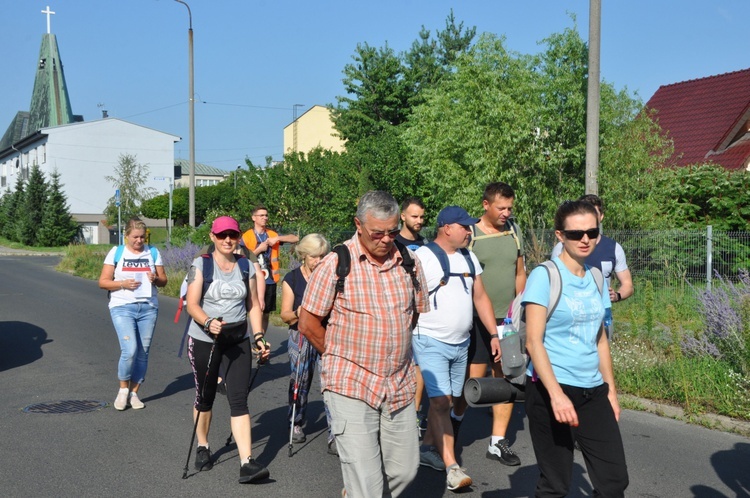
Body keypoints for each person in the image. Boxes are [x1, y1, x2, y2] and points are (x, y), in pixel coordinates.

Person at [298, 190, 429, 498]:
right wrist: (337, 356)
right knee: (365, 482)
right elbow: (308, 322)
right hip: (350, 383)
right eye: (378, 233)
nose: (386, 240)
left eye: (393, 232)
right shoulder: (335, 264)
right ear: (358, 224)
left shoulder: (409, 262)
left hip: (398, 383)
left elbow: (414, 316)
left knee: (406, 469)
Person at [524, 200, 629, 497]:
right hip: (550, 390)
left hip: (592, 390)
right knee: (555, 485)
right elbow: (534, 342)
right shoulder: (544, 276)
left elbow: (600, 340)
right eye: (575, 234)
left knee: (613, 481)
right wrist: (556, 396)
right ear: (560, 236)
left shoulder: (597, 277)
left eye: (591, 232)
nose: (585, 239)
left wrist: (611, 391)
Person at [413, 206, 501, 492]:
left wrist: (493, 334)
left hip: (460, 344)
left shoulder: (469, 257)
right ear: (446, 228)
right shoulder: (422, 258)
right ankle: (452, 467)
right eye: (464, 226)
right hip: (429, 339)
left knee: (448, 402)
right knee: (440, 403)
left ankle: (427, 449)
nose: (469, 231)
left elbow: (480, 297)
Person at [185, 216, 271, 484]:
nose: (227, 240)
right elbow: (192, 304)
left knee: (239, 399)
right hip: (204, 339)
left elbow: (254, 305)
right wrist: (208, 321)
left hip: (237, 339)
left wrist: (258, 336)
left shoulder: (247, 266)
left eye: (232, 235)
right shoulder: (201, 265)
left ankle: (247, 463)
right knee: (205, 396)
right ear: (212, 236)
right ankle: (203, 446)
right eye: (222, 235)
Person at [451, 182, 526, 466]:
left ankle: (497, 442)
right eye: (501, 208)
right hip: (475, 321)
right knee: (471, 381)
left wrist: (521, 308)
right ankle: (454, 423)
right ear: (486, 205)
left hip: (506, 320)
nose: (506, 213)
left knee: (506, 377)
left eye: (510, 208)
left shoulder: (513, 231)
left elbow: (520, 272)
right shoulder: (470, 234)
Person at [99, 218, 167, 411]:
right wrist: (122, 284)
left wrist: (155, 278)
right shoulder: (117, 252)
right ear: (126, 236)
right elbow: (103, 281)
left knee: (142, 352)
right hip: (122, 306)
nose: (139, 241)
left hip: (148, 307)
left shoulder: (152, 252)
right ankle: (122, 390)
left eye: (142, 237)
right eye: (135, 237)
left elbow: (164, 280)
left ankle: (134, 393)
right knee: (129, 349)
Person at [279, 233, 337, 455]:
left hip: (326, 334)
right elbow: (285, 315)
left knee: (332, 384)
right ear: (303, 255)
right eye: (314, 256)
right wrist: (298, 312)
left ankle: (335, 433)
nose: (319, 261)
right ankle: (296, 421)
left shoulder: (332, 278)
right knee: (300, 381)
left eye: (323, 256)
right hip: (300, 333)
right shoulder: (292, 279)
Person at [550, 194, 634, 339]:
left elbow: (628, 285)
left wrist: (617, 295)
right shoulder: (561, 248)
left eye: (593, 213)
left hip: (602, 313)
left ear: (600, 217)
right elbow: (553, 284)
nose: (585, 240)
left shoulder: (613, 248)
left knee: (602, 355)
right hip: (572, 315)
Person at [395, 196, 428, 432]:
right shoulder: (393, 241)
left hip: (421, 311)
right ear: (403, 216)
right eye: (414, 216)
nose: (419, 220)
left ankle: (414, 414)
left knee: (419, 364)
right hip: (397, 311)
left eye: (422, 216)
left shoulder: (426, 243)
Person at [242, 204, 300, 332]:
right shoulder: (246, 236)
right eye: (261, 215)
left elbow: (295, 238)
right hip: (252, 278)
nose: (265, 218)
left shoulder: (272, 234)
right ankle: (255, 336)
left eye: (266, 215)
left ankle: (260, 340)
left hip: (270, 279)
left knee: (266, 312)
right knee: (254, 309)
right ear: (254, 218)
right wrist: (258, 250)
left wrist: (278, 238)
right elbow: (241, 258)